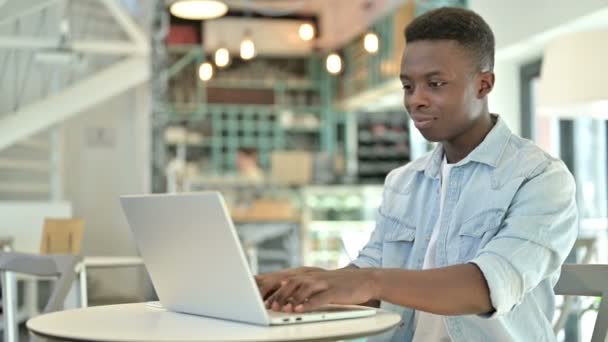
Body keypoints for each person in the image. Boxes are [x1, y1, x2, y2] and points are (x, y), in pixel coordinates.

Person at [255, 6, 578, 342]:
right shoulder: (404, 181)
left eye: (434, 84)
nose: (415, 100)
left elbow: (487, 286)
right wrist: (298, 283)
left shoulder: (541, 177)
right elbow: (368, 283)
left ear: (484, 85)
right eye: (408, 86)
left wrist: (370, 280)